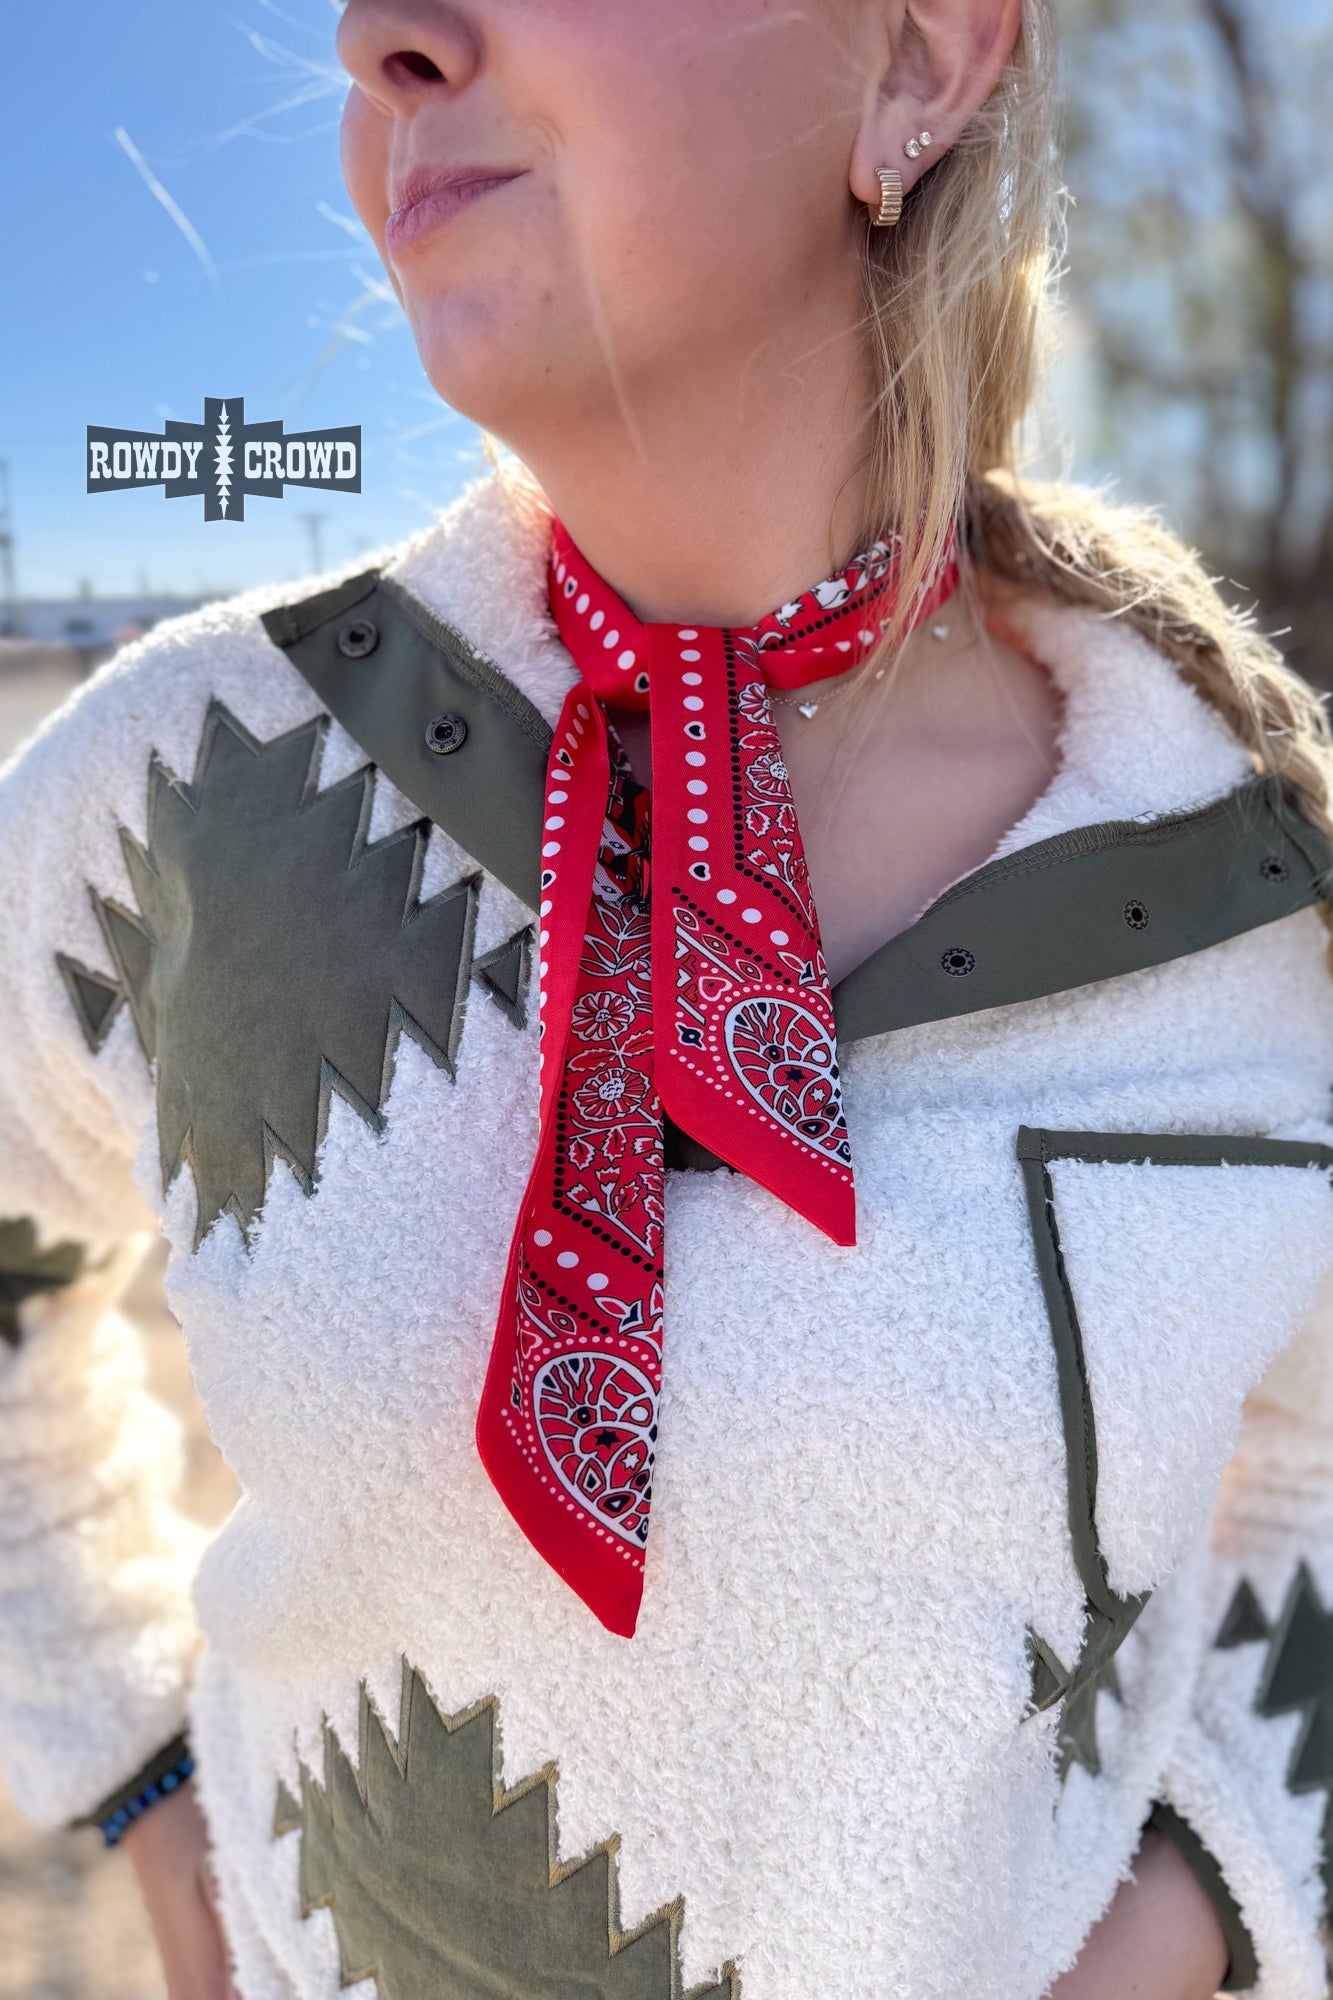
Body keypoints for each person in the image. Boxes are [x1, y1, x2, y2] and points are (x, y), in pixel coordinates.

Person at [3, 0, 1332, 1995]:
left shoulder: (1240, 895)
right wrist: (135, 1765)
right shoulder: (186, 791)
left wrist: (1182, 1916)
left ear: (918, 63)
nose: (379, 37)